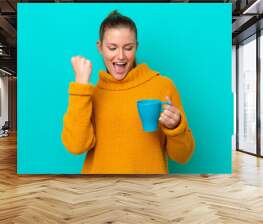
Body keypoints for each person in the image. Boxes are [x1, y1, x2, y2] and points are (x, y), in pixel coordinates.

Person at [61, 10, 194, 174]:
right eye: (112, 47)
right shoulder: (91, 94)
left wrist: (176, 126)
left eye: (128, 48)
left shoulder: (163, 86)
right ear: (100, 47)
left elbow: (182, 156)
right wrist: (80, 88)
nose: (121, 56)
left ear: (136, 47)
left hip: (148, 193)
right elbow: (76, 146)